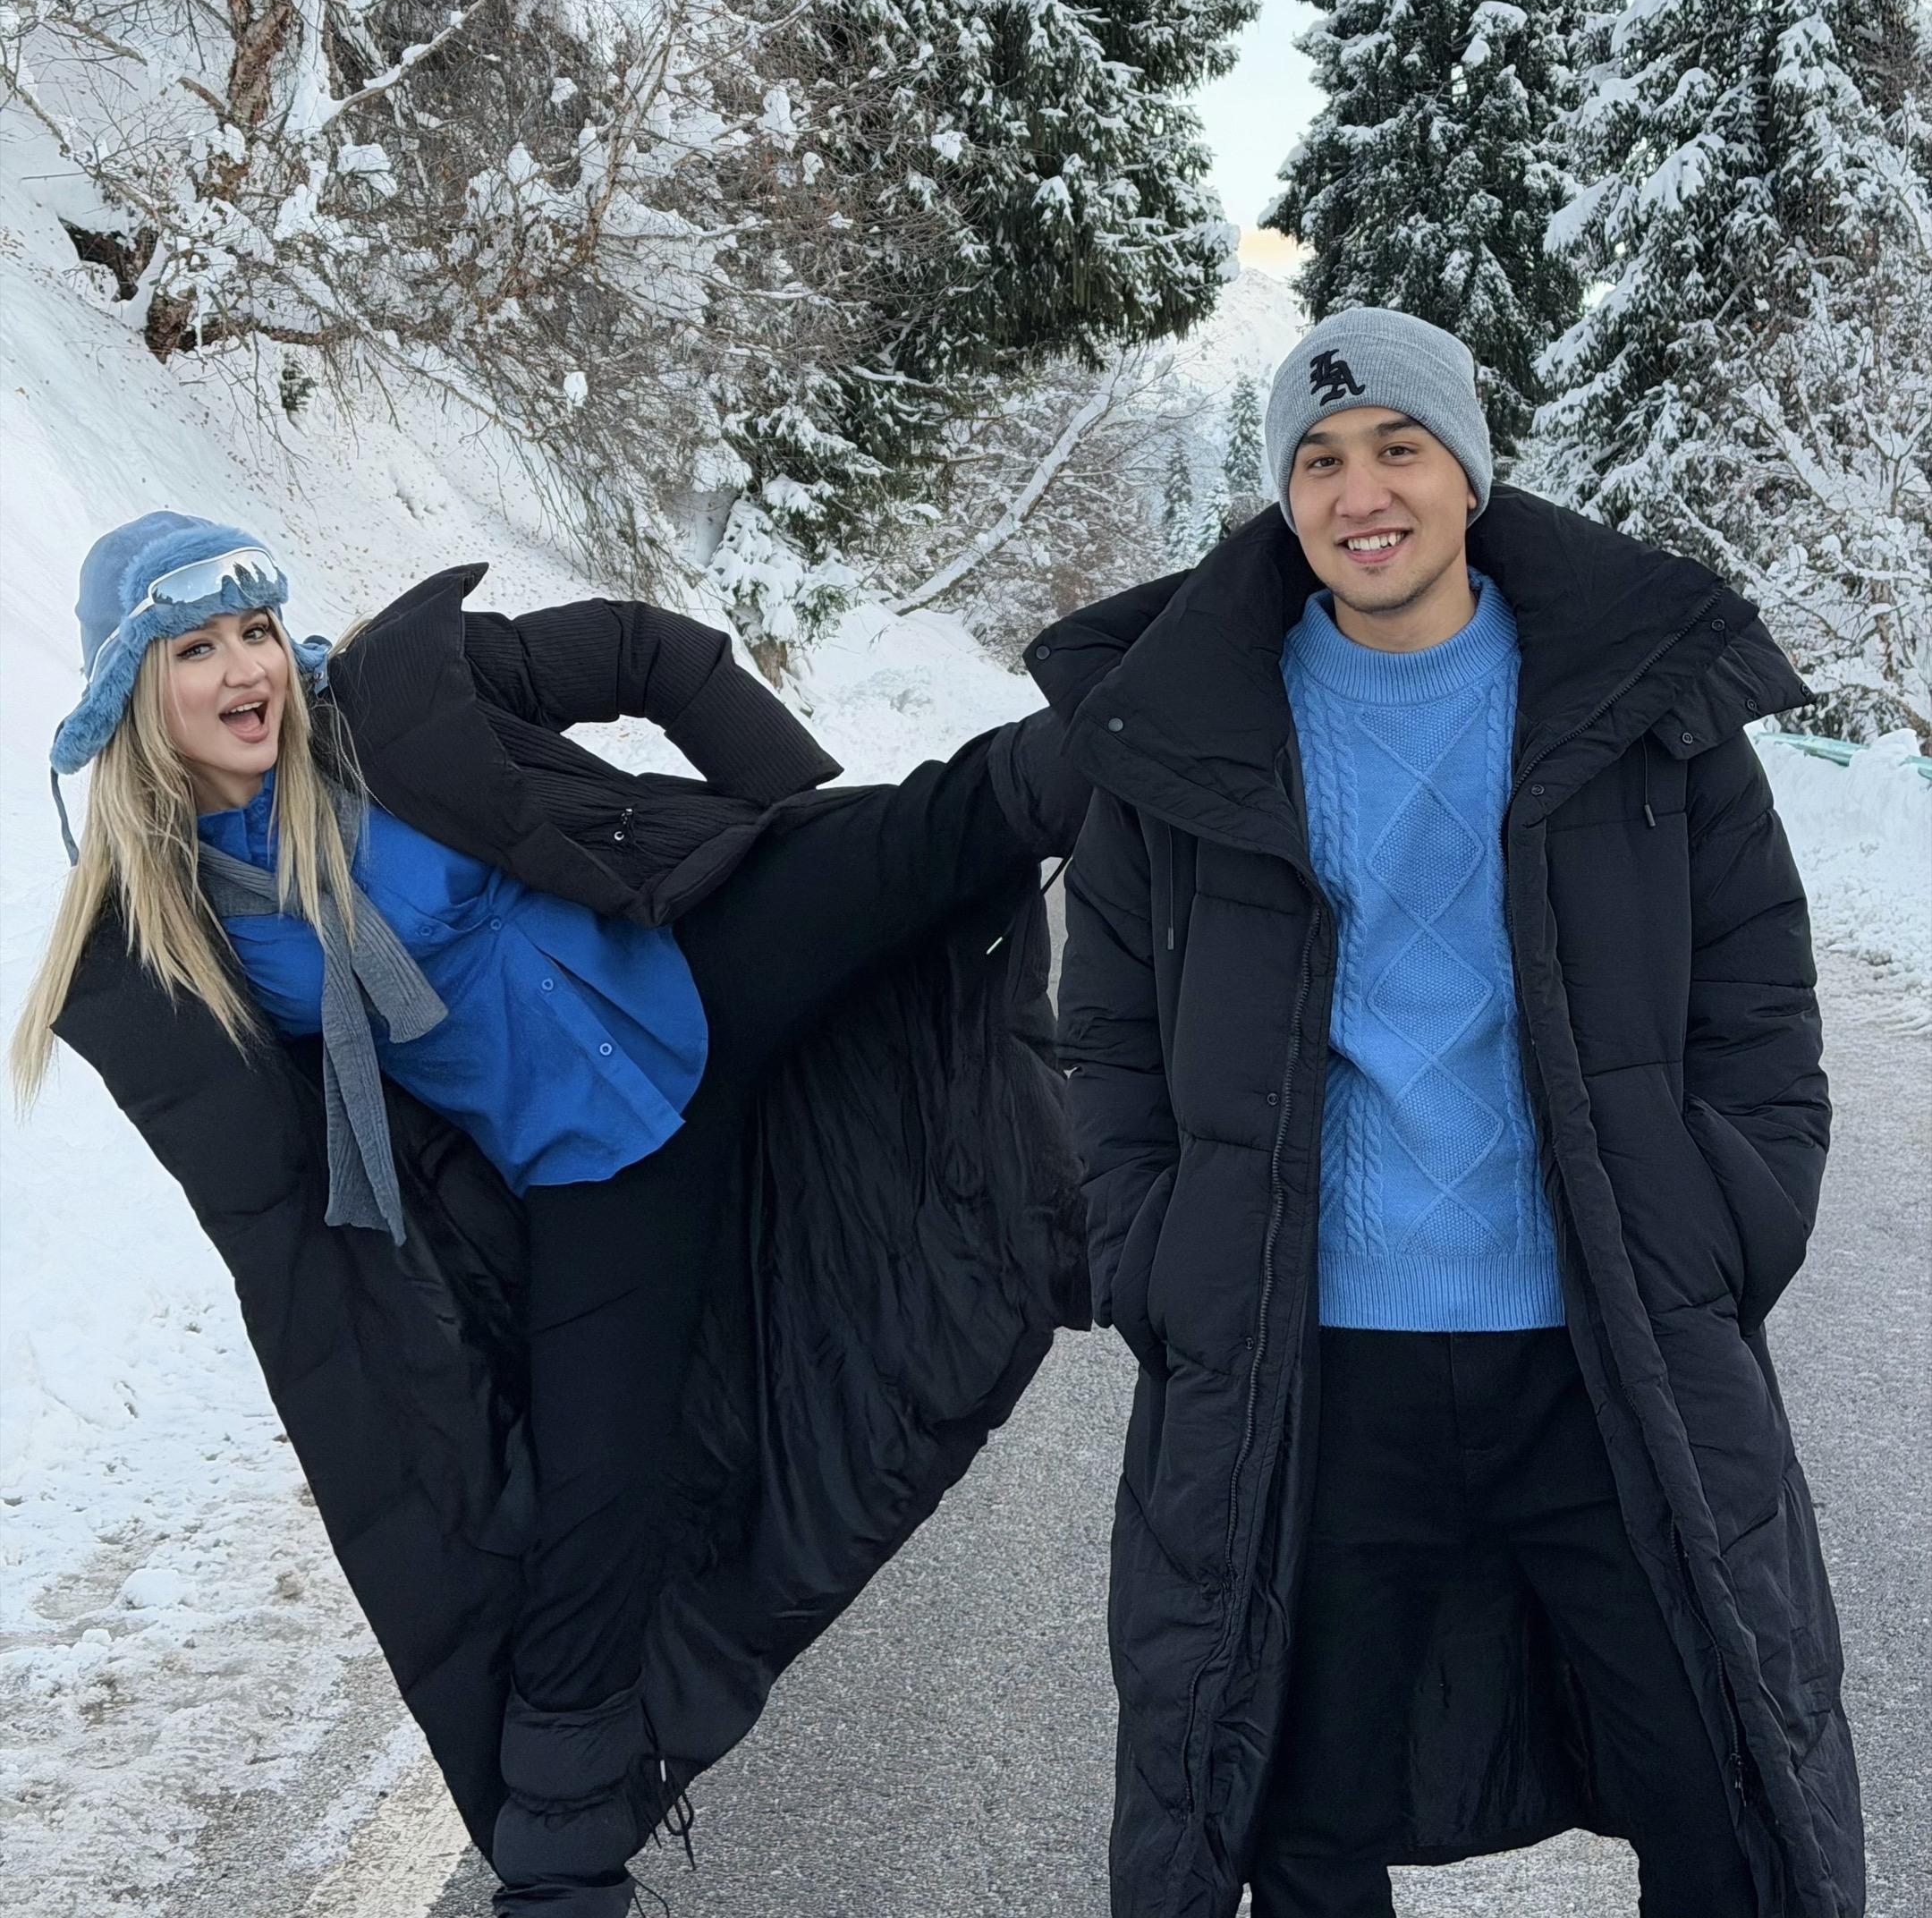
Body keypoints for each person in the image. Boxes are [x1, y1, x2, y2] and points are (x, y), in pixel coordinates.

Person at [16, 514, 1091, 1916]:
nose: (248, 670)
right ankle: (559, 1873)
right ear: (132, 695)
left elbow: (648, 652)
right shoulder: (178, 929)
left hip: (698, 958)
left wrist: (784, 814)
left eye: (257, 631)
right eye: (197, 648)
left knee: (954, 821)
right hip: (585, 1171)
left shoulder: (398, 701)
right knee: (594, 1522)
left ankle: (1226, 697)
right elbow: (280, 1186)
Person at [1028, 307, 1860, 1918]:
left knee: (1721, 1785)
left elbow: (1759, 993)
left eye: (1399, 448)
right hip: (1319, 1365)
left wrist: (1725, 1216)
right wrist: (1156, 1250)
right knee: (1302, 1816)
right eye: (1321, 461)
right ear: (1287, 495)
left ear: (1469, 471)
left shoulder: (1639, 698)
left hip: (1601, 1348)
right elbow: (1107, 1034)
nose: (1362, 494)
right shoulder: (1187, 731)